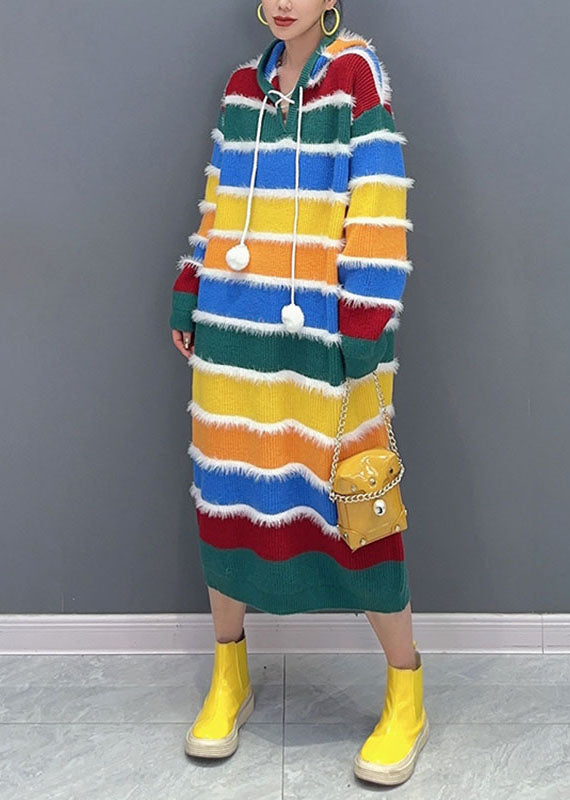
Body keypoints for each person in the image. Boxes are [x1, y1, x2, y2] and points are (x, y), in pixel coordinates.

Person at [169, 0, 427, 786]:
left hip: (327, 338)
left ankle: (407, 692)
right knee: (228, 494)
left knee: (356, 506)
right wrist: (191, 286)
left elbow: (380, 202)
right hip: (234, 333)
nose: (284, 1)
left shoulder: (356, 76)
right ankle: (230, 675)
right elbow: (219, 201)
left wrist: (365, 320)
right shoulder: (241, 87)